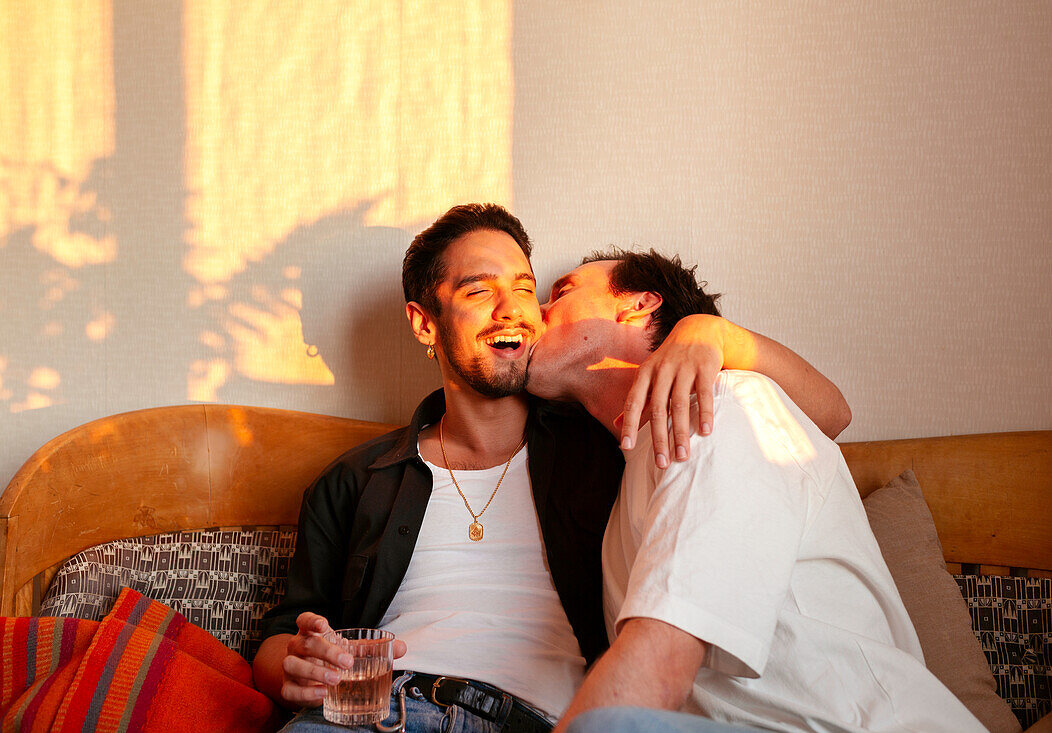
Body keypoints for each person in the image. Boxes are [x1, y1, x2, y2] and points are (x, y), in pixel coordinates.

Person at [253, 204, 851, 733]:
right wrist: (294, 667)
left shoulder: (615, 444)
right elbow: (278, 639)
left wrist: (706, 330)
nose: (516, 309)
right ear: (424, 323)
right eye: (478, 291)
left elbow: (818, 416)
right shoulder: (354, 480)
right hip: (378, 715)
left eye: (527, 287)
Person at [523, 248, 984, 732]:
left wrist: (710, 330)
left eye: (562, 292)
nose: (536, 311)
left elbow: (656, 673)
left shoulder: (724, 406)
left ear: (639, 305)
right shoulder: (626, 489)